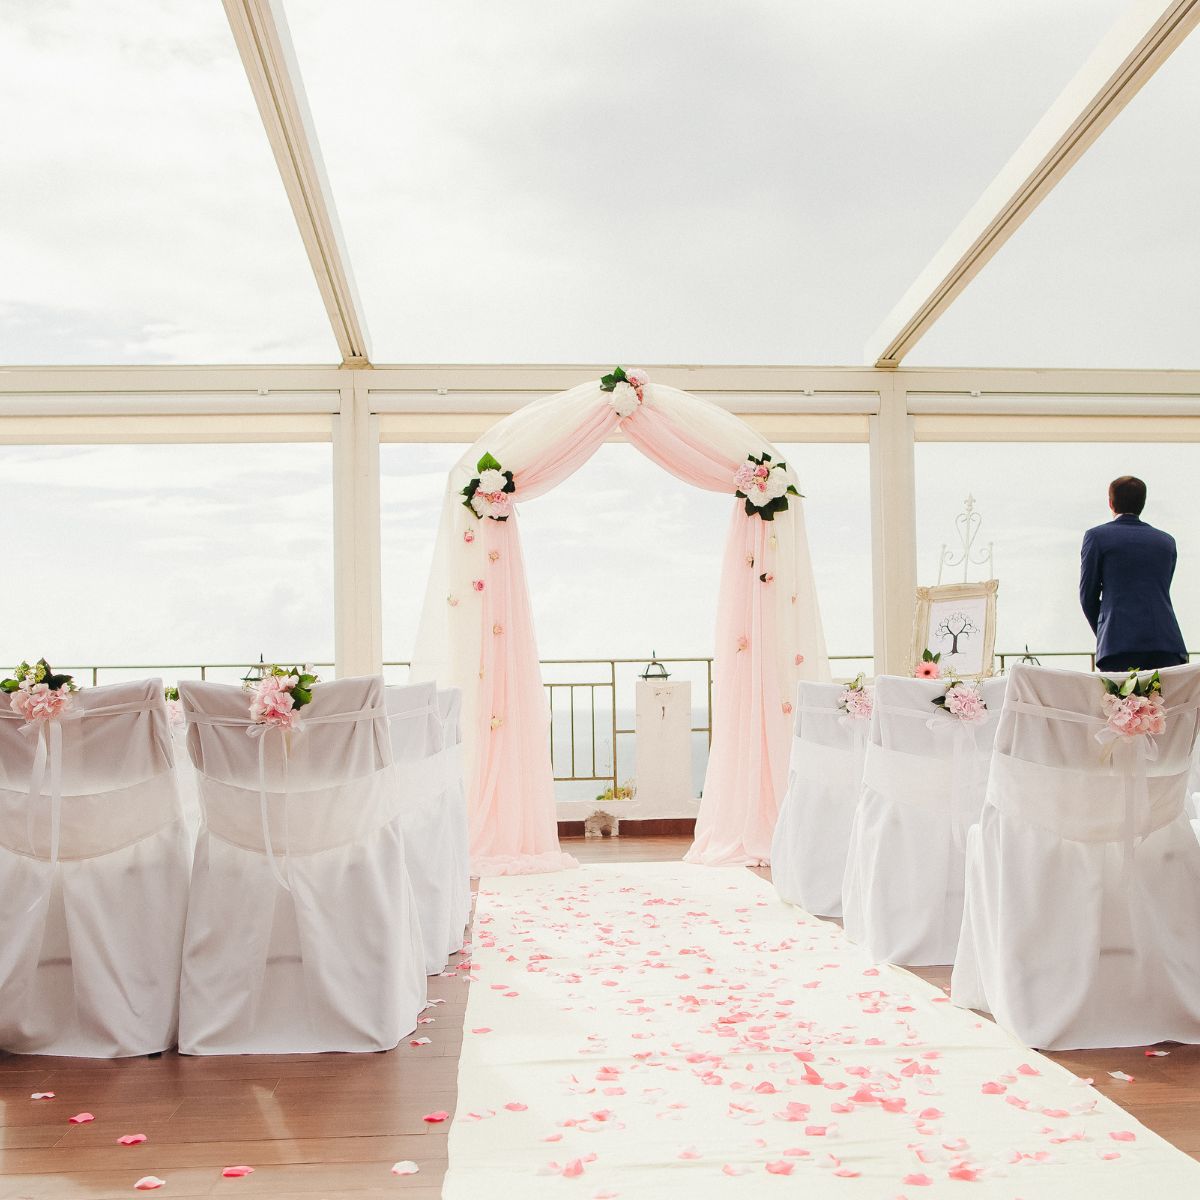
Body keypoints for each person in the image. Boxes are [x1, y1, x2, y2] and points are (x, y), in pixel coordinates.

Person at [1079, 476, 1188, 672]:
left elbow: (1088, 596)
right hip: (1166, 643)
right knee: (1167, 703)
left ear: (1111, 502)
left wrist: (1107, 631)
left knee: (1120, 703)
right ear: (1143, 503)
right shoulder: (1166, 541)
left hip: (1118, 645)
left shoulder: (1096, 537)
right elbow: (1161, 588)